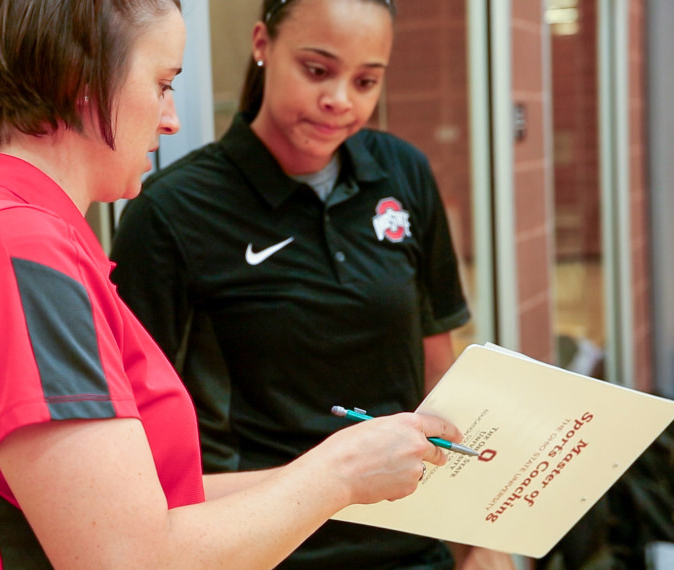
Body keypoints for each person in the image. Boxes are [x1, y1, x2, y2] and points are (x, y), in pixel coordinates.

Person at [0, 0, 462, 567]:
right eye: (162, 84)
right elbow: (126, 559)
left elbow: (156, 510)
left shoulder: (20, 238)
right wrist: (339, 474)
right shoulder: (15, 251)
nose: (172, 119)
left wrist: (346, 469)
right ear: (79, 79)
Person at [109, 0, 513, 568]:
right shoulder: (172, 213)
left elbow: (437, 376)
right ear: (262, 45)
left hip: (414, 548)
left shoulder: (403, 173)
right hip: (264, 550)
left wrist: (481, 536)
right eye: (317, 70)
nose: (341, 100)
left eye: (367, 80)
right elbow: (137, 433)